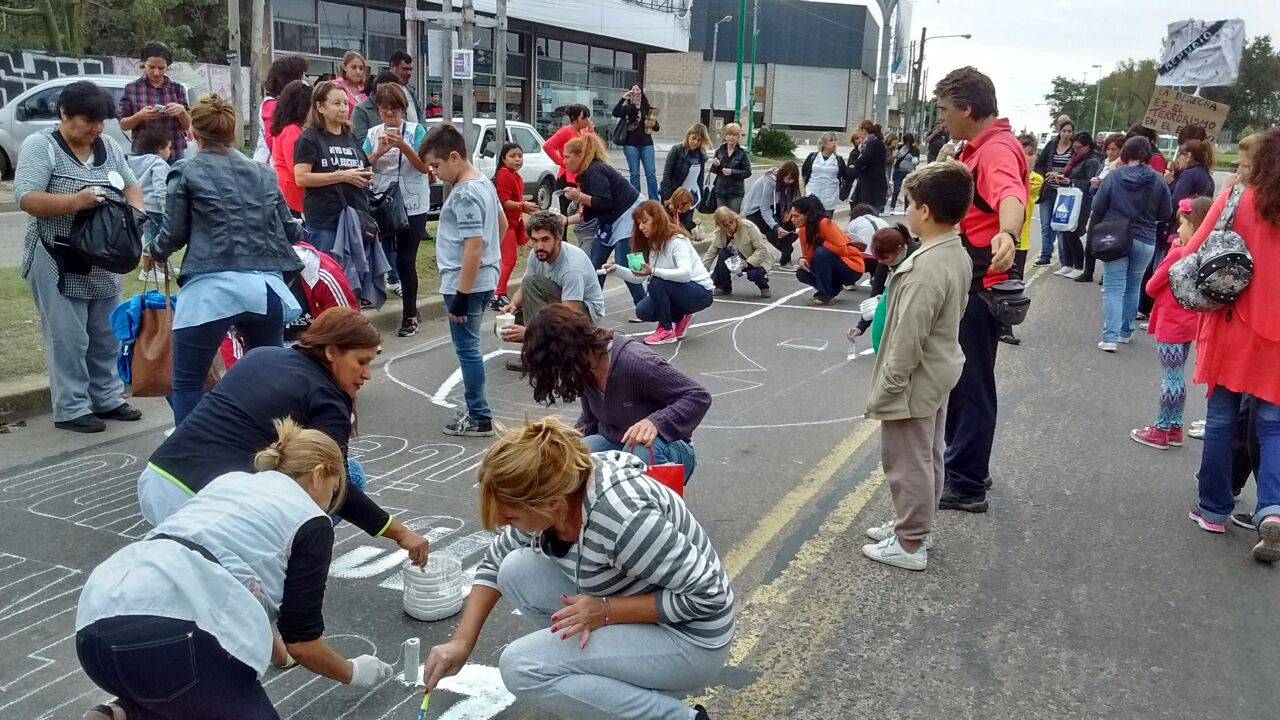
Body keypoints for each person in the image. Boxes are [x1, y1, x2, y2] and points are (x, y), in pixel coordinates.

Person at [78, 419, 395, 720]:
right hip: (174, 634)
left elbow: (239, 577)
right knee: (192, 683)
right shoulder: (310, 520)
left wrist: (277, 655)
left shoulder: (232, 482)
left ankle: (120, 714)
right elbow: (302, 641)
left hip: (97, 621)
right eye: (336, 487)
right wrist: (352, 672)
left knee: (185, 693)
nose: (331, 501)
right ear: (318, 476)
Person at [422, 417, 729, 720]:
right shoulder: (554, 491)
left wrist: (607, 611)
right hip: (637, 612)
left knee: (522, 666)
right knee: (514, 569)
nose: (503, 523)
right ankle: (618, 690)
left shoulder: (624, 518)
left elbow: (709, 597)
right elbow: (494, 562)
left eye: (510, 517)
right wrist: (461, 643)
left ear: (552, 504)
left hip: (691, 641)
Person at [139, 308, 430, 555]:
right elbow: (337, 485)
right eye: (362, 362)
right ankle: (285, 560)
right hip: (209, 506)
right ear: (331, 352)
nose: (367, 374)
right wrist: (400, 533)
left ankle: (181, 551)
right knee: (348, 474)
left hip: (156, 480)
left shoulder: (262, 355)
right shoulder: (327, 399)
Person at [149, 94, 304, 425]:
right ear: (233, 133)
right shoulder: (263, 172)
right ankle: (273, 443)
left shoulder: (185, 170)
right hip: (265, 288)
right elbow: (291, 232)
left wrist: (154, 251)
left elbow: (172, 234)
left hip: (211, 288)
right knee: (268, 378)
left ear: (195, 134)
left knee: (188, 380)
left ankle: (193, 456)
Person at [862, 160, 975, 571]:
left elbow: (909, 339)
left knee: (906, 458)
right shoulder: (953, 253)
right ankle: (912, 525)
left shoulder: (925, 267)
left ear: (924, 210)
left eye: (910, 203)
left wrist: (887, 387)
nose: (907, 209)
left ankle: (910, 541)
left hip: (914, 377)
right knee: (928, 453)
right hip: (938, 370)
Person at [15, 81, 145, 433]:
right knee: (68, 337)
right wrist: (76, 201)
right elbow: (26, 197)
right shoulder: (41, 146)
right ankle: (71, 406)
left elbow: (131, 184)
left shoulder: (107, 147)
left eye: (101, 121)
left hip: (104, 257)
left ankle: (107, 396)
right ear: (63, 114)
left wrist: (134, 216)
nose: (95, 128)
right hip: (56, 255)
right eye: (88, 120)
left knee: (105, 334)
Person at [1175, 128, 1280, 562]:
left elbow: (1192, 253)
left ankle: (1214, 509)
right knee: (1273, 425)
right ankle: (1272, 509)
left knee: (1219, 418)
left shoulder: (1237, 200)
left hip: (1233, 322)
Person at [934, 67, 1027, 513]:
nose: (942, 118)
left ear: (967, 109)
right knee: (967, 383)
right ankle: (970, 468)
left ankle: (967, 482)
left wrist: (1008, 233)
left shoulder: (996, 151)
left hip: (978, 286)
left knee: (969, 386)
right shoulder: (981, 148)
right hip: (975, 281)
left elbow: (1010, 194)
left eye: (945, 110)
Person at [518, 304, 712, 480]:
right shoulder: (583, 366)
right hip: (616, 441)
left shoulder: (636, 362)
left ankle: (659, 509)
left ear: (566, 352)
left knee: (639, 448)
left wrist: (655, 422)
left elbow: (697, 395)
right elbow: (590, 420)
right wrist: (566, 445)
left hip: (667, 448)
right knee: (578, 455)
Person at [420, 123, 506, 437]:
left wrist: (461, 293)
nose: (434, 172)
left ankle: (479, 415)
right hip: (483, 278)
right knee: (470, 346)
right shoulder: (483, 182)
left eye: (436, 165)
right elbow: (503, 224)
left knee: (467, 349)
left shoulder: (466, 193)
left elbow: (473, 246)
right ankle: (476, 410)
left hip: (465, 283)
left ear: (454, 157)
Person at [1130, 196, 1212, 450]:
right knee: (1178, 376)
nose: (1178, 230)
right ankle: (1175, 426)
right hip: (1189, 323)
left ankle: (1162, 429)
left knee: (1170, 377)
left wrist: (1170, 254)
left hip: (1170, 322)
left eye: (1184, 224)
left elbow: (1152, 286)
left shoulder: (1178, 254)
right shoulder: (1205, 253)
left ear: (1195, 228)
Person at [363, 81, 434, 337]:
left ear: (403, 109)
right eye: (384, 109)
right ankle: (368, 308)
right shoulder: (372, 135)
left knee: (406, 261)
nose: (389, 114)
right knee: (372, 258)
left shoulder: (416, 132)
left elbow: (425, 167)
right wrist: (380, 151)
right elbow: (364, 166)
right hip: (382, 203)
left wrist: (403, 146)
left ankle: (410, 315)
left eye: (394, 109)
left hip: (413, 204)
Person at [1089, 136, 1172, 352]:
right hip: (1145, 239)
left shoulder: (1114, 177)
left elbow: (1097, 206)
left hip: (1116, 238)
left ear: (1126, 153)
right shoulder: (1158, 180)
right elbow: (1166, 212)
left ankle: (1109, 338)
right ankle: (1126, 332)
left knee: (1114, 288)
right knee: (1134, 285)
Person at [499, 211, 606, 370]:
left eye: (545, 240)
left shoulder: (571, 267)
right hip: (558, 305)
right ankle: (551, 347)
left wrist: (530, 332)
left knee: (531, 285)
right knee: (508, 327)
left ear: (558, 238)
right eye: (535, 240)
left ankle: (538, 355)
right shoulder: (536, 255)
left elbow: (570, 315)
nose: (539, 246)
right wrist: (513, 305)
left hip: (583, 317)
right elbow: (524, 288)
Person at [607, 200, 714, 345]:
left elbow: (685, 274)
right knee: (643, 310)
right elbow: (639, 278)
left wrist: (653, 271)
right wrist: (617, 269)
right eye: (639, 223)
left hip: (700, 292)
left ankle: (666, 330)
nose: (641, 227)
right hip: (678, 291)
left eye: (645, 221)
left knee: (656, 282)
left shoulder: (677, 240)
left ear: (657, 219)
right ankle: (681, 317)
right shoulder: (653, 244)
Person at [564, 134, 647, 311]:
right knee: (595, 262)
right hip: (612, 219)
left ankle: (644, 304)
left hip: (629, 214)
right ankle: (593, 306)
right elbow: (591, 212)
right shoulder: (587, 174)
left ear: (580, 156)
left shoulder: (595, 170)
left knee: (625, 262)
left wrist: (579, 196)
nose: (564, 161)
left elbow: (604, 201)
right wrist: (564, 220)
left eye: (567, 157)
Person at [294, 80, 373, 252]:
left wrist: (364, 177)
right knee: (329, 273)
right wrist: (342, 176)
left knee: (356, 275)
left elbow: (364, 166)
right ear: (320, 107)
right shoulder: (309, 138)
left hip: (356, 218)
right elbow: (301, 178)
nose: (343, 108)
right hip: (325, 222)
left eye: (345, 103)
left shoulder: (350, 137)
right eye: (336, 103)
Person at [999, 133, 1045, 346]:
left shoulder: (1034, 179)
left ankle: (1006, 326)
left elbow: (1026, 181)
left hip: (1020, 241)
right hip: (1001, 237)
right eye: (1023, 153)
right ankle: (1000, 325)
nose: (1028, 157)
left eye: (1031, 153)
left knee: (1013, 285)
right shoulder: (1005, 175)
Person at [848, 224, 919, 350]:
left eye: (885, 258)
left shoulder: (919, 257)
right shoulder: (884, 262)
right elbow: (875, 293)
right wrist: (860, 327)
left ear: (900, 249)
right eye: (878, 258)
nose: (882, 261)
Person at [118, 41, 191, 161]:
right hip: (143, 154)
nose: (156, 72)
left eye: (161, 68)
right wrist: (139, 116)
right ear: (143, 64)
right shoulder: (131, 89)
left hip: (174, 152)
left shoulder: (177, 89)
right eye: (151, 67)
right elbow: (123, 125)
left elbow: (187, 125)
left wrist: (182, 112)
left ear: (167, 66)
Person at [791, 195, 864, 305]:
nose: (793, 220)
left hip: (852, 267)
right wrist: (802, 259)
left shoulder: (825, 223)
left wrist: (822, 242)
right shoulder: (803, 230)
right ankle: (832, 289)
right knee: (802, 272)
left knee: (821, 253)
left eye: (796, 216)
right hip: (834, 265)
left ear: (808, 215)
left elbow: (842, 250)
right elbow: (809, 256)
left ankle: (824, 296)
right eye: (792, 216)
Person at [127, 124, 176, 283]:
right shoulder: (159, 164)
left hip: (143, 206)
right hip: (156, 209)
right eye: (169, 147)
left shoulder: (140, 162)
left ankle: (161, 267)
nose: (171, 151)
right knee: (153, 240)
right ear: (160, 148)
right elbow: (161, 188)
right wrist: (166, 208)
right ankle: (147, 271)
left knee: (155, 238)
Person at [494, 142, 539, 311]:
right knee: (509, 260)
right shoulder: (505, 174)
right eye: (512, 156)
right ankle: (497, 294)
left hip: (513, 223)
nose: (517, 159)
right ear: (503, 159)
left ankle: (500, 292)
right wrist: (523, 205)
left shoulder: (515, 175)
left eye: (520, 156)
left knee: (508, 259)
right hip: (505, 224)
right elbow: (504, 202)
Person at [1052, 132, 1102, 280]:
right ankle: (1068, 263)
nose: (1075, 150)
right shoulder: (1076, 159)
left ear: (1087, 146)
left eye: (1078, 147)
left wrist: (1071, 182)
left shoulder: (1092, 161)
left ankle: (1079, 266)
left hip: (1082, 201)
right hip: (1070, 198)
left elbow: (1090, 183)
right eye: (1074, 147)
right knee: (1065, 230)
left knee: (1073, 232)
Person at [1032, 117, 1075, 267]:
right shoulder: (1051, 145)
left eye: (1069, 131)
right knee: (1045, 224)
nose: (1066, 134)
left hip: (1064, 193)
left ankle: (1064, 259)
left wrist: (1064, 176)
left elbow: (1076, 168)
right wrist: (1046, 175)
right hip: (1048, 190)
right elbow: (1039, 164)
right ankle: (1045, 254)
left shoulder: (1073, 149)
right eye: (1064, 131)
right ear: (1059, 131)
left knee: (1060, 226)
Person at [742, 162, 800, 269]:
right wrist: (776, 227)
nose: (788, 181)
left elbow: (795, 200)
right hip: (756, 210)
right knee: (773, 231)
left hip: (774, 206)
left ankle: (785, 250)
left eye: (791, 179)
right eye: (787, 178)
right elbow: (764, 209)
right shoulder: (769, 182)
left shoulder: (790, 185)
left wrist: (789, 212)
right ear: (782, 175)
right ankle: (785, 259)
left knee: (789, 227)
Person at [703, 206, 772, 298]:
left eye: (731, 222)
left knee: (754, 274)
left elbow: (762, 248)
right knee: (722, 255)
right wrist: (701, 271)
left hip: (756, 261)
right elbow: (711, 252)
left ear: (735, 218)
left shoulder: (748, 227)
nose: (730, 227)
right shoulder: (720, 233)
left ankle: (764, 286)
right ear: (719, 226)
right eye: (725, 225)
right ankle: (724, 287)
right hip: (736, 261)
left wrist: (748, 263)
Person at [253, 54, 309, 164]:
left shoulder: (287, 104)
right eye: (302, 75)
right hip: (269, 168)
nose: (305, 79)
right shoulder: (271, 105)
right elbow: (273, 142)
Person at [270, 80, 311, 218]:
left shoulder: (285, 127)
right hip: (291, 193)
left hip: (287, 189)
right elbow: (295, 167)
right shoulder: (292, 131)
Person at [613, 83, 661, 198]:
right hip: (630, 144)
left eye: (638, 91)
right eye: (633, 90)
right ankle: (636, 199)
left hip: (646, 144)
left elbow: (657, 127)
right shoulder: (626, 108)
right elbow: (615, 113)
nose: (636, 93)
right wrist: (623, 98)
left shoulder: (647, 108)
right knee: (634, 174)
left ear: (641, 93)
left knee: (651, 173)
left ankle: (654, 200)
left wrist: (652, 123)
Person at [542, 104, 592, 215]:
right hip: (568, 177)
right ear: (574, 118)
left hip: (581, 176)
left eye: (588, 117)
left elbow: (592, 146)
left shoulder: (584, 132)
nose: (587, 120)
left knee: (583, 211)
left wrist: (591, 131)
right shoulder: (565, 131)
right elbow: (547, 146)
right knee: (566, 211)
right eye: (584, 117)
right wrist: (561, 162)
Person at [661, 124, 711, 228]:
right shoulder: (676, 150)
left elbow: (700, 177)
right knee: (669, 226)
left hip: (690, 196)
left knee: (685, 226)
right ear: (688, 135)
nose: (695, 142)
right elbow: (667, 174)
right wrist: (667, 196)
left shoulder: (701, 154)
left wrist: (699, 196)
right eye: (693, 138)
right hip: (674, 194)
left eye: (699, 140)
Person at [801, 131, 847, 217]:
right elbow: (804, 172)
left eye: (835, 141)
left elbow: (844, 177)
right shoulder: (813, 157)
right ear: (824, 143)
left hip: (830, 195)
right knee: (812, 220)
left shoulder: (838, 160)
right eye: (831, 140)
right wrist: (805, 187)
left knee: (826, 221)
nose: (834, 143)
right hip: (813, 192)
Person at [709, 122, 752, 212]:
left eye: (734, 135)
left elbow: (747, 172)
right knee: (722, 218)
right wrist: (715, 165)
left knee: (733, 219)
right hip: (720, 190)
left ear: (738, 137)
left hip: (735, 192)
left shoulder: (742, 153)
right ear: (725, 136)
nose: (731, 137)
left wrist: (732, 172)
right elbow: (714, 170)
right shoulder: (720, 151)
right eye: (729, 134)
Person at [352, 71, 402, 145]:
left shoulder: (400, 106)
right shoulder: (361, 109)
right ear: (379, 87)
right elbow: (359, 140)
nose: (389, 112)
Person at [850, 120, 888, 212]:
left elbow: (861, 162)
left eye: (859, 131)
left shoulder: (873, 144)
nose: (859, 134)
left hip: (872, 189)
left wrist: (854, 165)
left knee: (870, 216)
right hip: (870, 188)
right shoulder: (871, 143)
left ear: (864, 130)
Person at [887, 133, 920, 213]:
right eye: (906, 141)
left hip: (909, 171)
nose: (907, 143)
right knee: (896, 189)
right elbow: (894, 155)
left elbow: (916, 161)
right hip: (898, 170)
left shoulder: (915, 150)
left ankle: (906, 207)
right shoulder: (900, 147)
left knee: (907, 190)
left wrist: (915, 160)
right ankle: (892, 206)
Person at [387, 50, 422, 121]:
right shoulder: (384, 91)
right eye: (405, 69)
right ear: (392, 66)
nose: (409, 73)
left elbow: (420, 114)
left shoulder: (411, 91)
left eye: (410, 69)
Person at [334, 51, 368, 117]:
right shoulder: (335, 86)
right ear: (344, 67)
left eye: (361, 68)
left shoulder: (366, 89)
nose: (358, 72)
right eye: (354, 67)